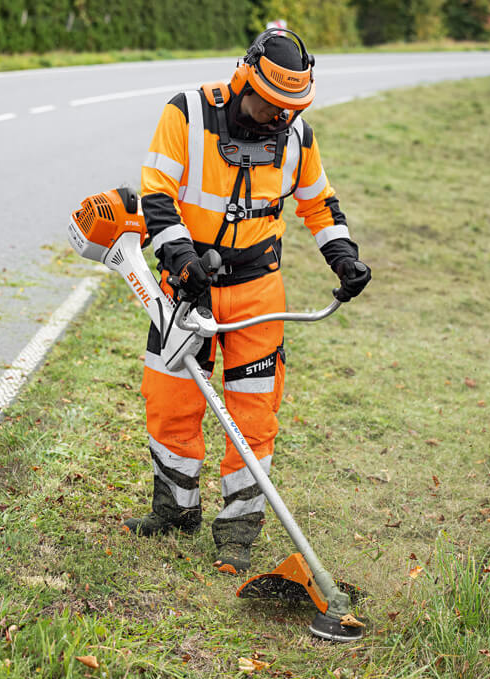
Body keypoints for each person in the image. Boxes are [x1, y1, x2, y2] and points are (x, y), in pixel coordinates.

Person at [125, 28, 371, 575]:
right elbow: (157, 195)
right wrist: (182, 261)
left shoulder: (296, 135)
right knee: (170, 399)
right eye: (271, 105)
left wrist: (344, 257)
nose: (278, 119)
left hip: (258, 289)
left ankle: (237, 529)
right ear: (244, 79)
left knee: (254, 413)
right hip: (186, 282)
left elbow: (319, 204)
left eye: (291, 109)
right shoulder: (186, 114)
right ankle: (175, 509)